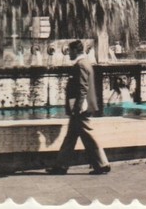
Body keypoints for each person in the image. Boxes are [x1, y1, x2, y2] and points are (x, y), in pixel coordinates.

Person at [47, 40, 111, 175]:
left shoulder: (80, 65)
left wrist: (78, 107)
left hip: (81, 108)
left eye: (70, 51)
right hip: (81, 106)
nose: (68, 53)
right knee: (70, 138)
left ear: (76, 51)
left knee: (87, 135)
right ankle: (61, 166)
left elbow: (82, 88)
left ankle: (102, 164)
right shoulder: (86, 63)